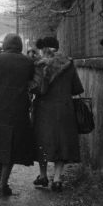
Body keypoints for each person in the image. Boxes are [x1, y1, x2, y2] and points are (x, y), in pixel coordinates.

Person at [0, 33, 35, 196]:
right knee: (11, 148)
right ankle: (3, 182)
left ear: (5, 44)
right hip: (19, 110)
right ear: (19, 45)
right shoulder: (27, 61)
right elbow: (31, 81)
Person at [31, 36, 84, 192]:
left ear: (44, 49)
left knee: (43, 142)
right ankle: (57, 179)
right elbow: (77, 88)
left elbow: (35, 88)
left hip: (43, 109)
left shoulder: (39, 65)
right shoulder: (68, 64)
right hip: (64, 109)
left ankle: (43, 176)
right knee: (62, 143)